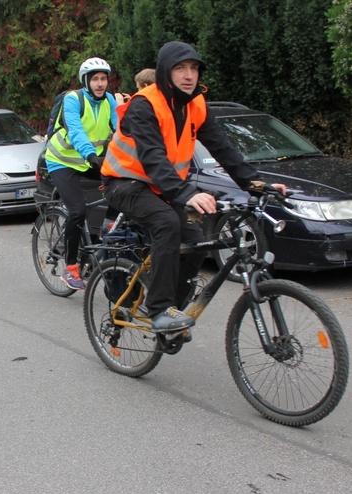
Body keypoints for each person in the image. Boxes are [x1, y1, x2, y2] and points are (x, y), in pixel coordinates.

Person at [101, 41, 286, 333]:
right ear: (164, 72)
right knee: (166, 224)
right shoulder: (144, 104)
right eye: (180, 68)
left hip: (165, 188)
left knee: (197, 240)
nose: (189, 75)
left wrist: (255, 184)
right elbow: (153, 158)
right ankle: (160, 309)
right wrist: (188, 193)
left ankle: (170, 307)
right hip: (125, 183)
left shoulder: (196, 104)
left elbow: (223, 149)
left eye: (194, 69)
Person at [44, 57, 119, 290]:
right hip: (62, 161)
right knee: (78, 210)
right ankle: (71, 267)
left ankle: (107, 229)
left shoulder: (110, 101)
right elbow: (76, 131)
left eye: (103, 78)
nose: (100, 83)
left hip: (88, 162)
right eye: (95, 79)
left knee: (123, 185)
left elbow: (122, 130)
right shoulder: (73, 100)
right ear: (86, 81)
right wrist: (90, 155)